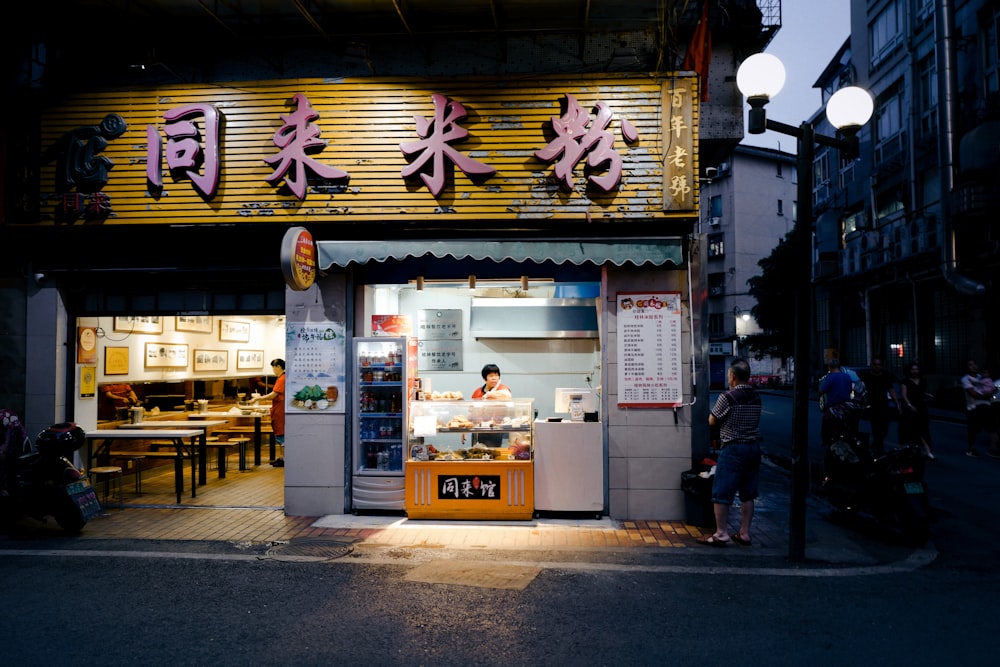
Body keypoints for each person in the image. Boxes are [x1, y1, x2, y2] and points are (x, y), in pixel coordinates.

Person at [697, 358, 762, 547]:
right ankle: (745, 533)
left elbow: (712, 420)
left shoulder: (728, 397)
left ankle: (721, 533)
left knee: (722, 492)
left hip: (733, 448)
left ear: (733, 376)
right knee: (748, 493)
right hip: (753, 447)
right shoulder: (756, 397)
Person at [859, 356, 901, 456]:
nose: (877, 367)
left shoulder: (885, 376)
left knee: (884, 428)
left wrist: (897, 403)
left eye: (879, 365)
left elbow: (891, 390)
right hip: (872, 406)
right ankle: (879, 448)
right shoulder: (866, 377)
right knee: (876, 427)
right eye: (875, 364)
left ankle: (876, 444)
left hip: (884, 405)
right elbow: (860, 389)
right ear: (871, 365)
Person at [251, 359, 286, 466]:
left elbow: (273, 395)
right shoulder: (282, 378)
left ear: (279, 367)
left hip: (280, 410)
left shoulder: (282, 379)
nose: (273, 370)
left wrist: (257, 399)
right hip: (279, 409)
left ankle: (284, 458)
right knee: (280, 434)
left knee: (282, 434)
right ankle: (282, 457)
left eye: (273, 367)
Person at [470, 364, 512, 446]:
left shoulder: (502, 388)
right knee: (477, 454)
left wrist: (489, 394)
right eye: (491, 375)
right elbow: (472, 412)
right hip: (479, 431)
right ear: (484, 378)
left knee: (494, 454)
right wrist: (465, 430)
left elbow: (507, 395)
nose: (494, 378)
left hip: (495, 430)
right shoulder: (477, 392)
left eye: (496, 375)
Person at [899, 362, 934, 459]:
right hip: (909, 408)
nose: (915, 371)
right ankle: (904, 450)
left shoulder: (923, 381)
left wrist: (928, 397)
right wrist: (909, 405)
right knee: (908, 429)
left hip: (921, 407)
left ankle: (928, 451)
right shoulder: (905, 381)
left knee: (923, 429)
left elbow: (922, 393)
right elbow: (904, 395)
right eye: (913, 369)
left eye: (916, 369)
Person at [819, 359, 858, 445]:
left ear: (830, 367)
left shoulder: (830, 377)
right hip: (847, 406)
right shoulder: (847, 376)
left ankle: (826, 440)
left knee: (826, 423)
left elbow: (822, 390)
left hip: (834, 406)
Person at [961, 359, 994, 458]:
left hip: (985, 405)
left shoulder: (981, 376)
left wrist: (989, 394)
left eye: (974, 364)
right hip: (973, 407)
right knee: (972, 429)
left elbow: (991, 388)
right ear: (967, 367)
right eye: (970, 365)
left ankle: (995, 448)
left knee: (992, 426)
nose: (973, 366)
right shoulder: (965, 379)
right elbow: (972, 393)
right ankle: (971, 449)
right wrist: (987, 395)